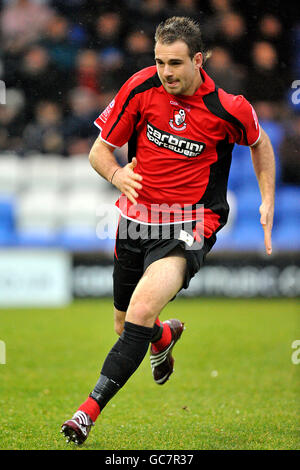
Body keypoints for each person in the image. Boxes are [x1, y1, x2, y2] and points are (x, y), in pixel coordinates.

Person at [61, 16, 275, 445]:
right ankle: (163, 335)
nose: (166, 72)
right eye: (159, 62)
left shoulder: (228, 108)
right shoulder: (141, 87)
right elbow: (99, 151)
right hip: (136, 220)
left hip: (192, 222)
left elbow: (259, 142)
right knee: (127, 326)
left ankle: (86, 413)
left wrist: (267, 197)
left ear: (198, 60)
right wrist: (117, 175)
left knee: (140, 311)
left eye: (175, 62)